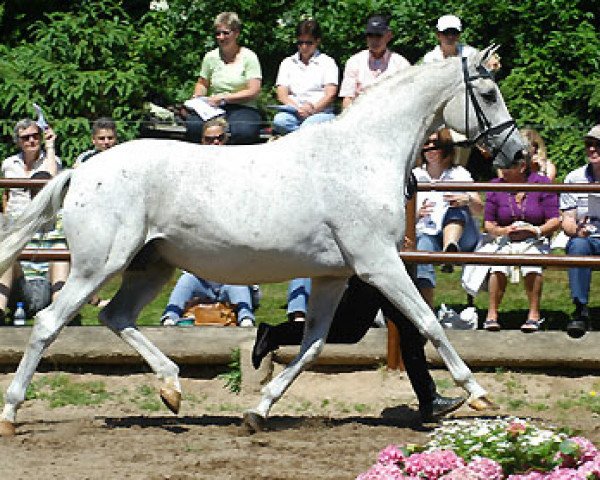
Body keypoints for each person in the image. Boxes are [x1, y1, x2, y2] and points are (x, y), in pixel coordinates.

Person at [251, 276, 466, 424]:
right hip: (374, 271)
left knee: (348, 331)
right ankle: (429, 400)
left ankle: (274, 334)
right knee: (405, 324)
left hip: (375, 272)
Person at [0, 118, 68, 325]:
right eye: (26, 137)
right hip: (16, 226)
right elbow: (7, 194)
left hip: (42, 229)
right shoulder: (9, 164)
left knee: (58, 250)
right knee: (8, 253)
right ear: (18, 141)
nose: (31, 140)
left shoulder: (51, 160)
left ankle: (60, 315)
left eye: (35, 136)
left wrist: (50, 146)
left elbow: (49, 182)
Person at [482, 156, 560, 332]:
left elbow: (555, 220)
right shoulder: (496, 185)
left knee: (531, 263)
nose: (502, 171)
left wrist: (536, 231)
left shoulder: (541, 183)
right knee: (498, 266)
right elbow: (488, 224)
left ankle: (534, 315)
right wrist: (503, 231)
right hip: (505, 237)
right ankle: (492, 315)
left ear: (522, 166)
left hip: (535, 237)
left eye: (506, 166)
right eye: (499, 167)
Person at [413, 128, 483, 307]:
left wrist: (466, 199)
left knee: (455, 210)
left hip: (463, 237)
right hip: (427, 232)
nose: (430, 148)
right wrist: (416, 214)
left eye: (435, 144)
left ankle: (449, 250)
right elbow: (402, 216)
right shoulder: (415, 176)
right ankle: (427, 313)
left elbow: (479, 209)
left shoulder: (459, 173)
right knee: (422, 250)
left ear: (446, 148)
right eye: (426, 144)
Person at [185, 11, 262, 145]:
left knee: (244, 131)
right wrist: (198, 96)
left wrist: (224, 98)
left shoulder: (249, 57)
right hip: (214, 109)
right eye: (218, 33)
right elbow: (203, 83)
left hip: (242, 107)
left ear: (236, 33)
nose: (221, 37)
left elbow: (253, 90)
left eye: (226, 33)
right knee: (194, 126)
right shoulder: (210, 57)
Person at [560, 125, 600, 338]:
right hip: (589, 236)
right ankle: (580, 311)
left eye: (598, 145)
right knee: (577, 245)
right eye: (589, 145)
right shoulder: (574, 178)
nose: (592, 149)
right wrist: (577, 229)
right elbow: (566, 220)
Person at [272, 19, 338, 135]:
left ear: (317, 41)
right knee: (279, 121)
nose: (304, 46)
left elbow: (330, 94)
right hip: (294, 112)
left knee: (308, 126)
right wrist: (298, 109)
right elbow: (282, 93)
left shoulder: (327, 62)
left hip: (320, 112)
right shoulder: (287, 63)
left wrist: (312, 109)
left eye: (308, 43)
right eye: (300, 42)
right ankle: (302, 136)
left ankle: (298, 137)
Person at [338, 14, 410, 110]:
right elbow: (347, 98)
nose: (374, 40)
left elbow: (405, 98)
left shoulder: (401, 64)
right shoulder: (354, 61)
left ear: (388, 36)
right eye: (370, 35)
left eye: (378, 35)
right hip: (360, 112)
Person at [160, 273, 258, 327]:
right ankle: (170, 316)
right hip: (203, 283)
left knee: (238, 281)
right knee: (187, 278)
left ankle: (246, 318)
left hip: (230, 282)